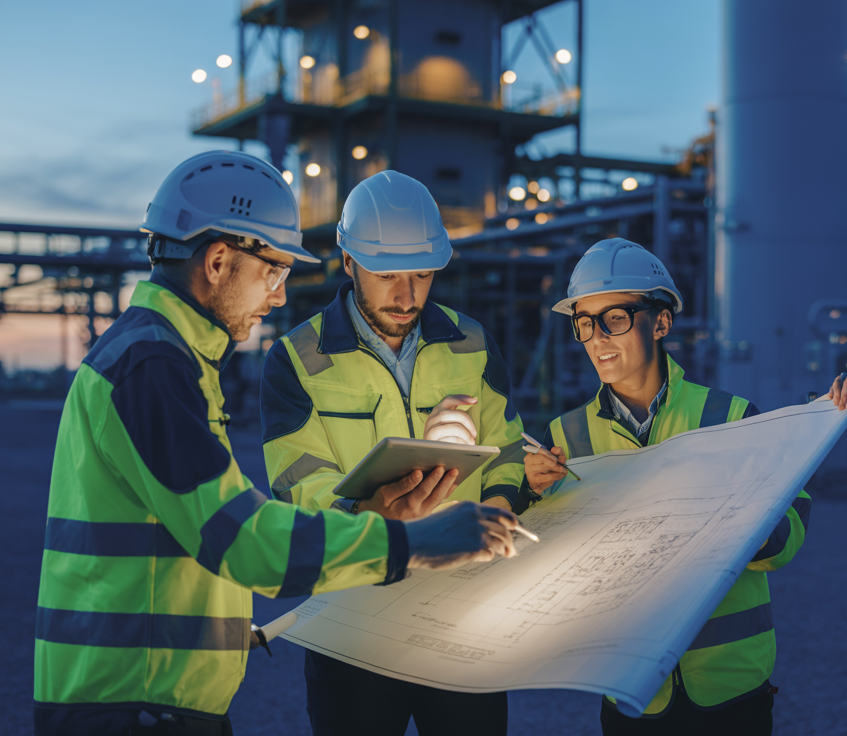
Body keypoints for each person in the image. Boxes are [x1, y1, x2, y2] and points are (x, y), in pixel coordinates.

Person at [33, 152, 520, 736]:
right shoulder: (151, 366)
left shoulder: (169, 360)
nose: (281, 296)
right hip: (131, 705)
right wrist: (411, 540)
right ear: (217, 261)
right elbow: (244, 539)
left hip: (145, 697)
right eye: (274, 273)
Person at [523, 238, 847, 735]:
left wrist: (735, 519)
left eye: (615, 317)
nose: (597, 337)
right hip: (628, 684)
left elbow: (788, 538)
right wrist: (530, 497)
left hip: (730, 685)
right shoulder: (563, 439)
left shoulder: (730, 419)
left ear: (660, 322)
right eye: (584, 322)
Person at [260, 170, 527, 736]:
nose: (407, 297)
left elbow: (506, 446)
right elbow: (294, 482)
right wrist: (368, 519)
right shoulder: (297, 358)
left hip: (464, 617)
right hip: (355, 620)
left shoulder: (472, 341)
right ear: (349, 262)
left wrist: (503, 501)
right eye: (387, 276)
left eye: (423, 275)